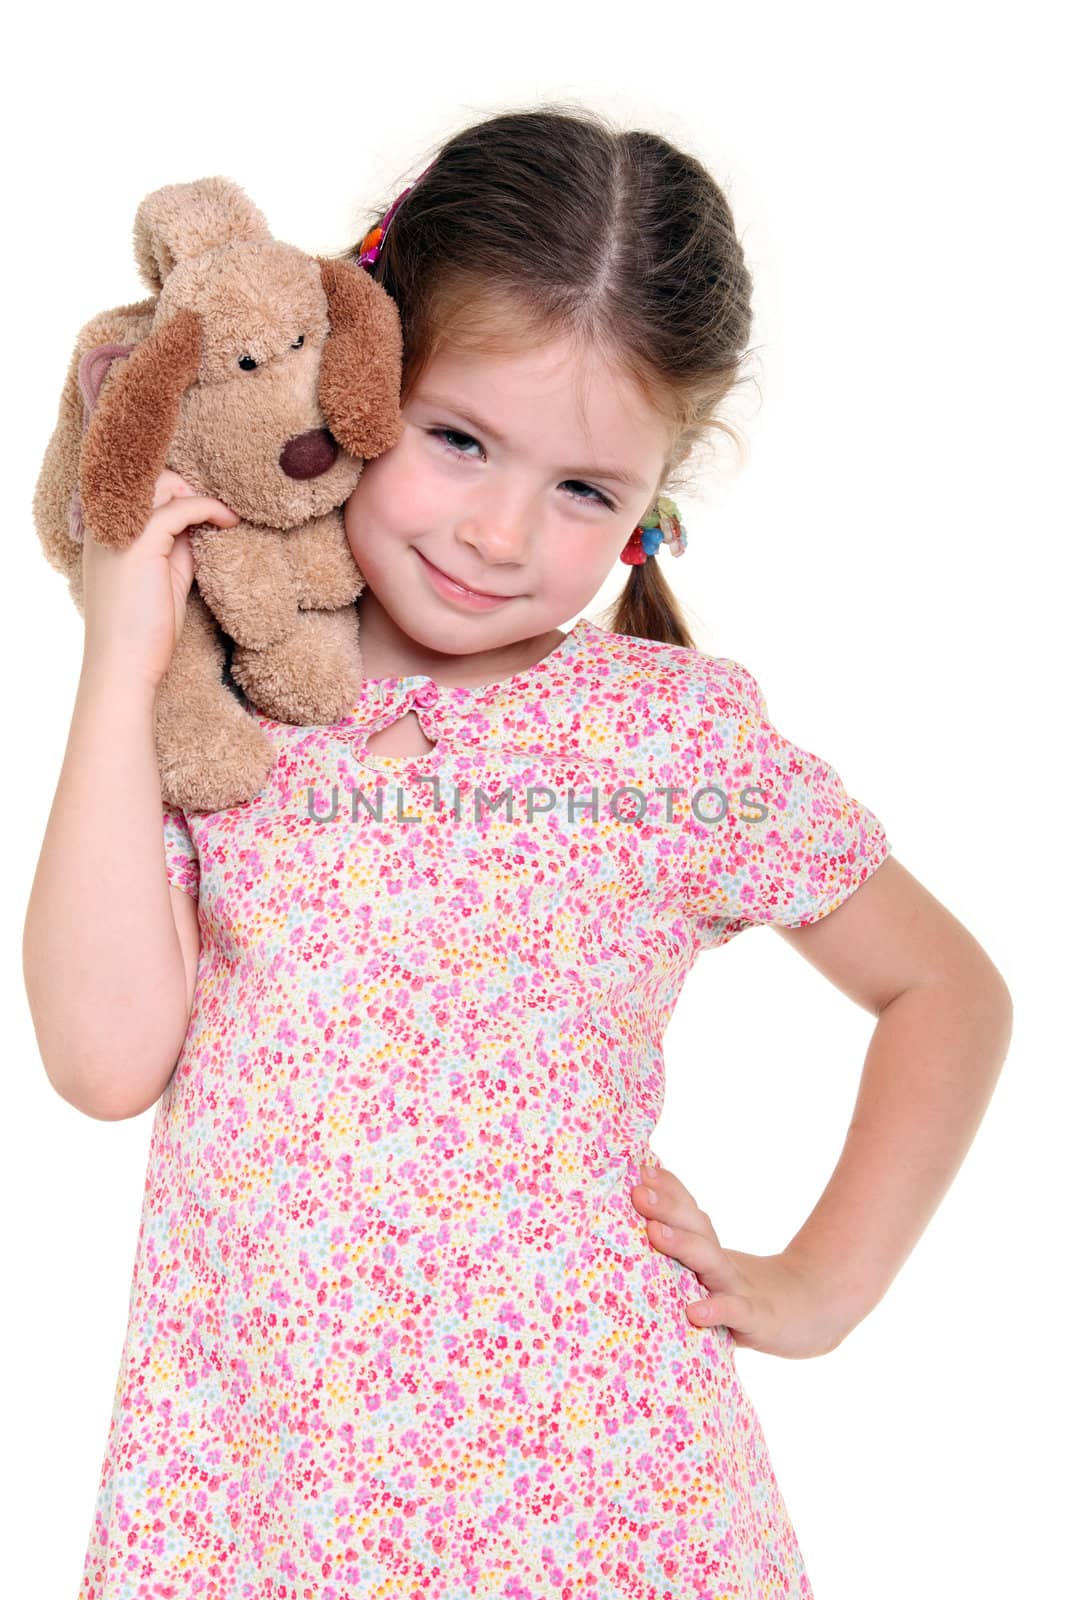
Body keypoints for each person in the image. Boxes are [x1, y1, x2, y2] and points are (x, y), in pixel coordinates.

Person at [24, 104, 1013, 1599]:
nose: (498, 534)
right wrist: (122, 657)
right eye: (461, 439)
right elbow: (104, 1064)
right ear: (360, 373)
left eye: (583, 491)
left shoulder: (666, 742)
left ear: (653, 501)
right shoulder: (218, 715)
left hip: (600, 1516)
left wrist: (824, 1285)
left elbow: (947, 989)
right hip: (262, 1507)